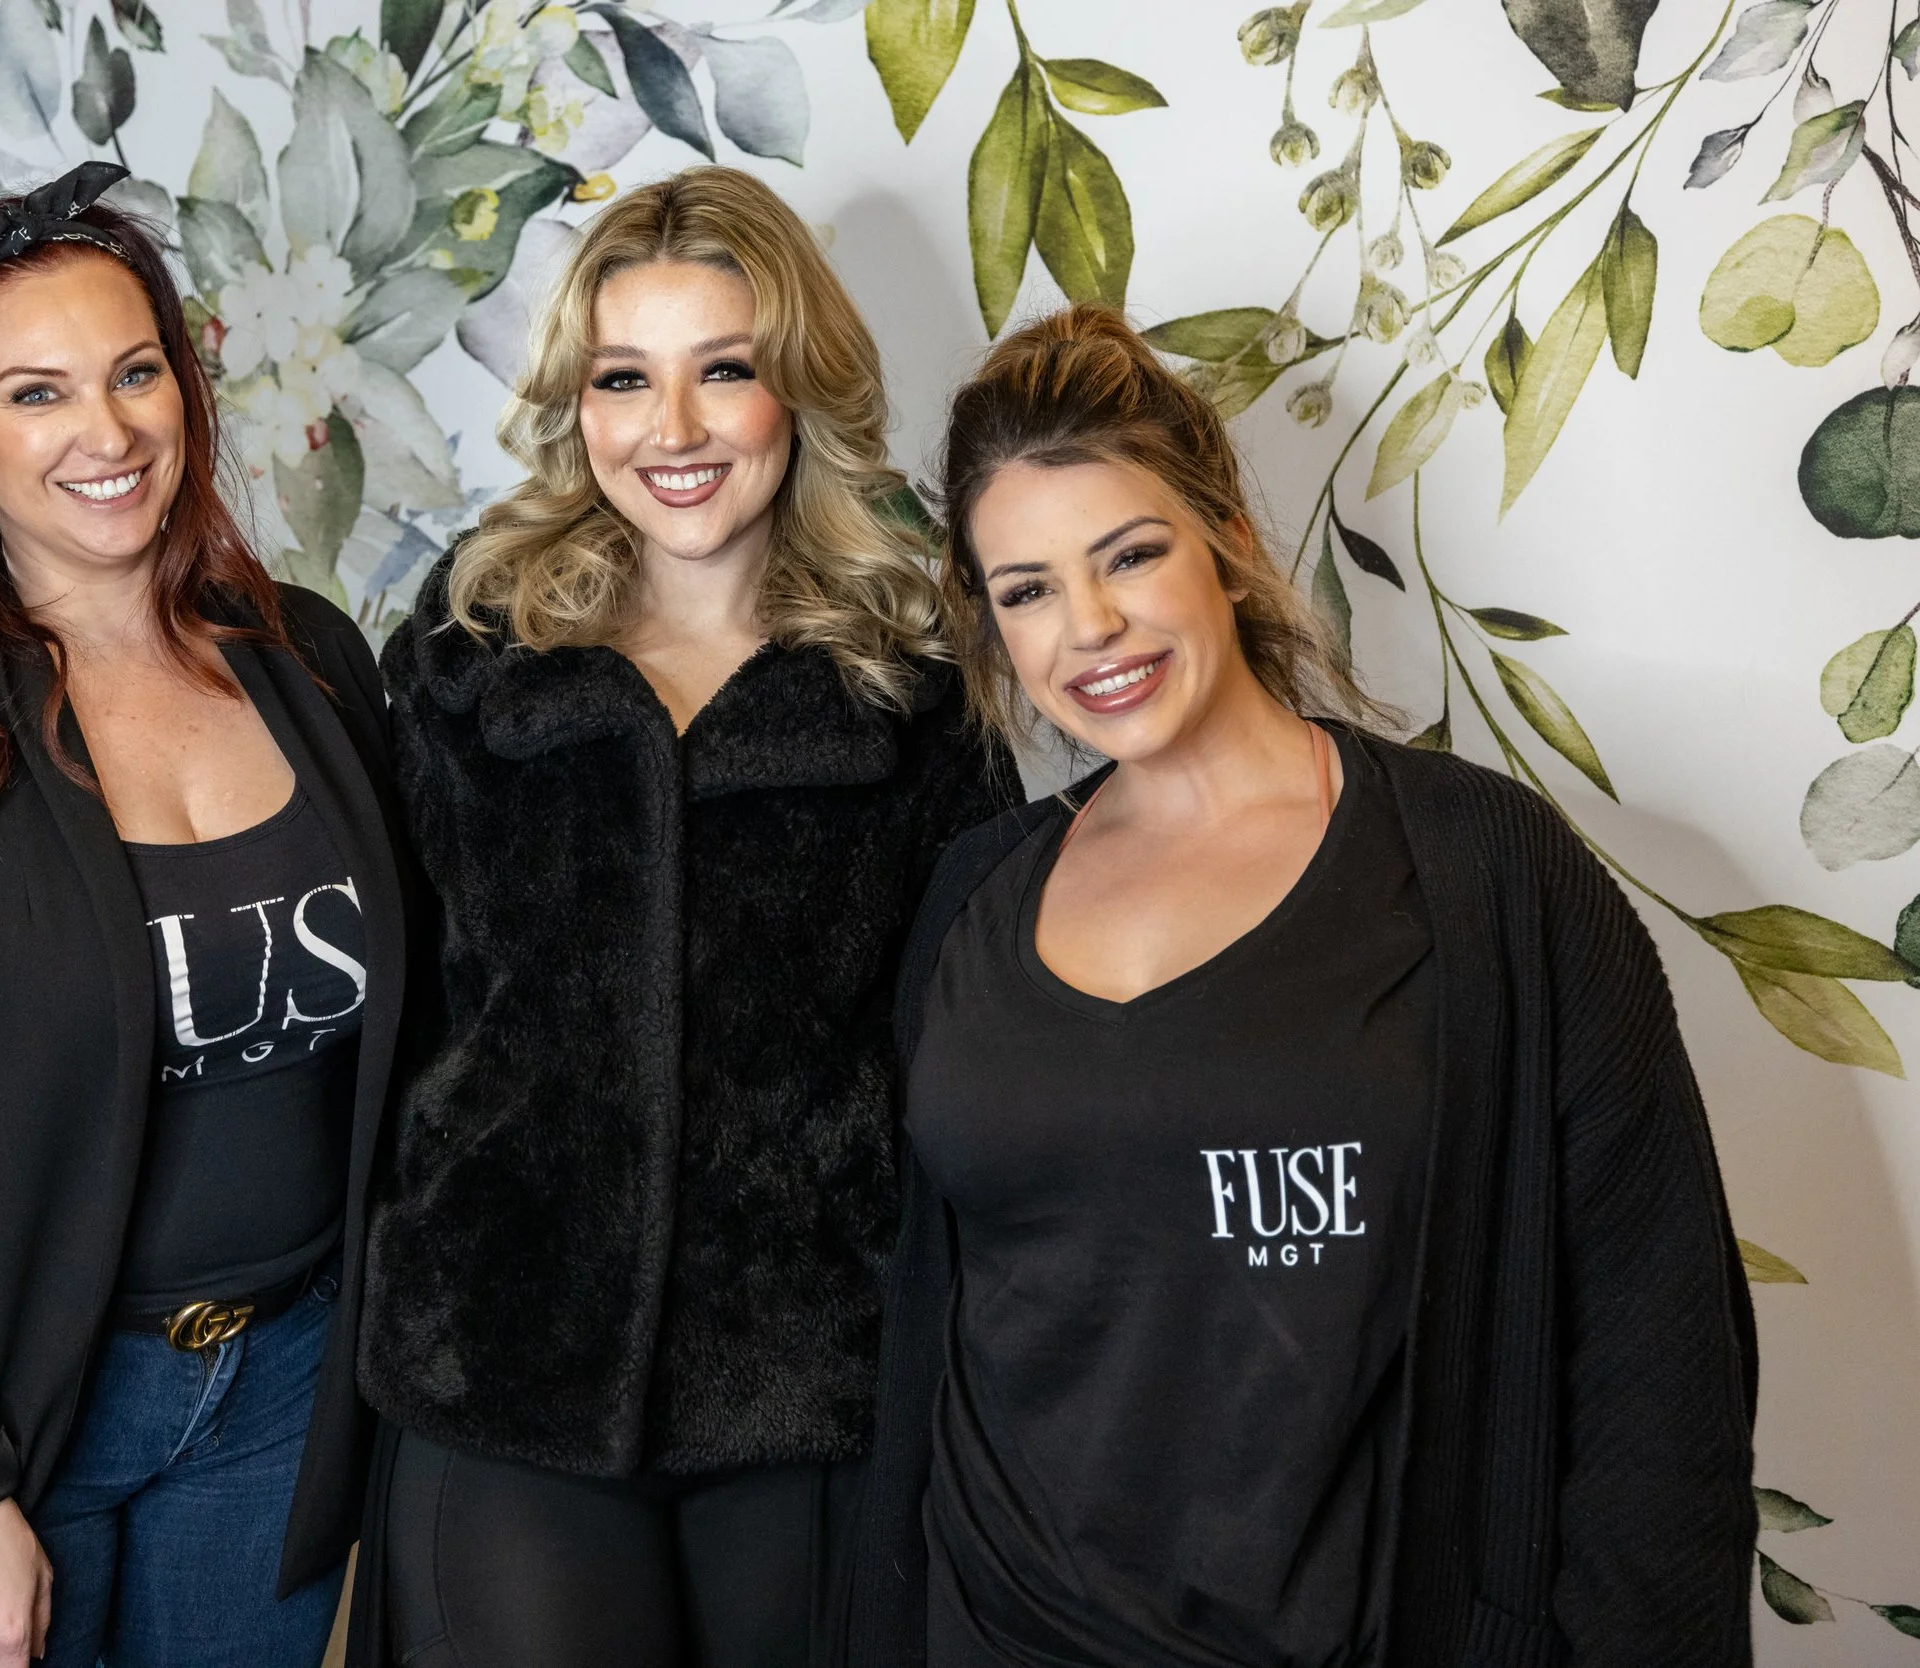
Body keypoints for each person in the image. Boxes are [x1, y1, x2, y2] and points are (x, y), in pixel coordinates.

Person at [848, 304, 1759, 1668]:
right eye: (1026, 590)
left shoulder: (1483, 873)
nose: (1090, 626)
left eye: (1130, 554)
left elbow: (1660, 1357)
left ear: (1226, 539)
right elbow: (920, 1340)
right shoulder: (972, 896)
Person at [0, 162, 413, 1668]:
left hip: (285, 1394)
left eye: (135, 374)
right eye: (36, 394)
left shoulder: (310, 661)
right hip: (23, 1417)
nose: (106, 433)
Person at [351, 166, 1014, 1668]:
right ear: (575, 405)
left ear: (798, 388)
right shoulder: (471, 652)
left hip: (805, 1388)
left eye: (724, 370)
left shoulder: (908, 686)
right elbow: (401, 1008)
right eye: (623, 379)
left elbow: (959, 1052)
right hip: (499, 1373)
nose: (673, 430)